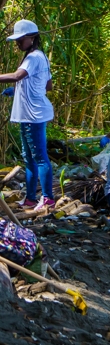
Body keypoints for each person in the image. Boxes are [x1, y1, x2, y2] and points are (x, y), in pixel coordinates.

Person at [0, 20, 55, 210]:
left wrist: (15, 83)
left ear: (32, 38)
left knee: (39, 157)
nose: (18, 43)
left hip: (34, 115)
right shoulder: (39, 57)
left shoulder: (33, 58)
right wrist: (17, 90)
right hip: (29, 114)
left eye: (20, 40)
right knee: (29, 157)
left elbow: (17, 76)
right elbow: (47, 85)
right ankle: (31, 198)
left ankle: (47, 198)